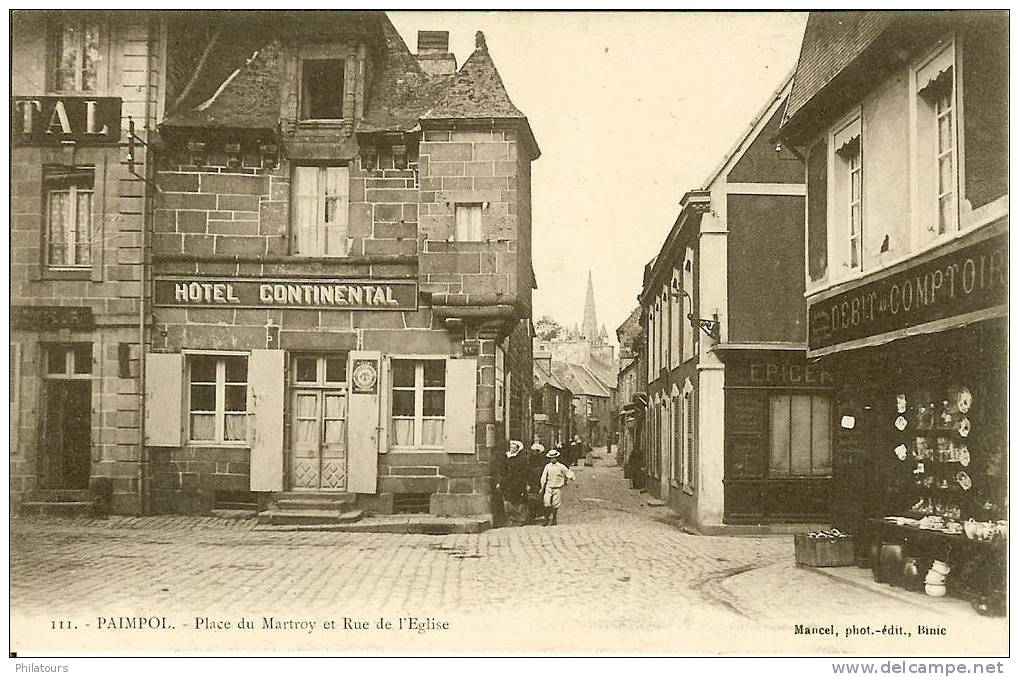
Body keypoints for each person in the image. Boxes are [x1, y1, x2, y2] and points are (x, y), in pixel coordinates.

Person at [496, 440, 530, 526]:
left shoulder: (521, 458)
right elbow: (502, 470)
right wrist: (500, 482)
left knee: (519, 501)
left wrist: (526, 483)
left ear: (517, 449)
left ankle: (521, 519)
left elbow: (525, 471)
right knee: (508, 500)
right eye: (511, 447)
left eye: (514, 448)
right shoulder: (506, 457)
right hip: (507, 482)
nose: (512, 449)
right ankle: (511, 518)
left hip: (518, 482)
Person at [539, 448, 576, 526]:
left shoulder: (561, 466)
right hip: (549, 487)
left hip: (557, 487)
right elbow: (543, 477)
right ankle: (546, 519)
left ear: (556, 458)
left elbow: (568, 473)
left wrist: (573, 479)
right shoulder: (547, 467)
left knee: (556, 503)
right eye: (551, 458)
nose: (553, 459)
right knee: (547, 502)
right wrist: (542, 487)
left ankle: (554, 519)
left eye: (554, 458)